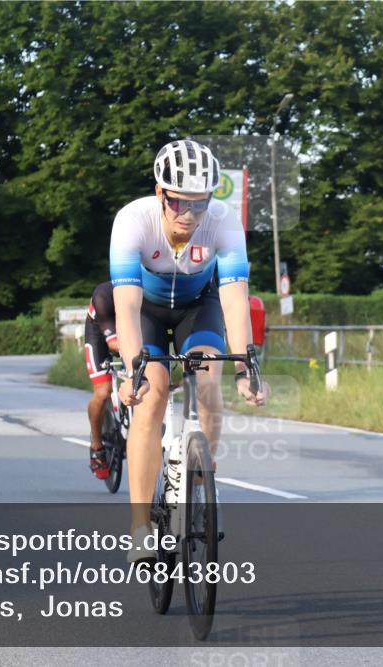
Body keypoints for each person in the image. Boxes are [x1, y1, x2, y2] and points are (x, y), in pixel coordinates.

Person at [110, 139, 267, 562]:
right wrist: (132, 370)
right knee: (152, 393)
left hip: (200, 308)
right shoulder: (132, 221)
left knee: (209, 378)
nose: (189, 215)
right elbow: (125, 307)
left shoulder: (223, 222)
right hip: (148, 311)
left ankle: (197, 489)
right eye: (179, 203)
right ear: (161, 193)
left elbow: (235, 300)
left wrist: (245, 366)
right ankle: (140, 525)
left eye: (199, 204)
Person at [83, 281, 120, 480]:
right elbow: (114, 344)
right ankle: (97, 446)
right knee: (103, 391)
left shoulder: (149, 290)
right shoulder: (103, 295)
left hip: (126, 328)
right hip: (99, 333)